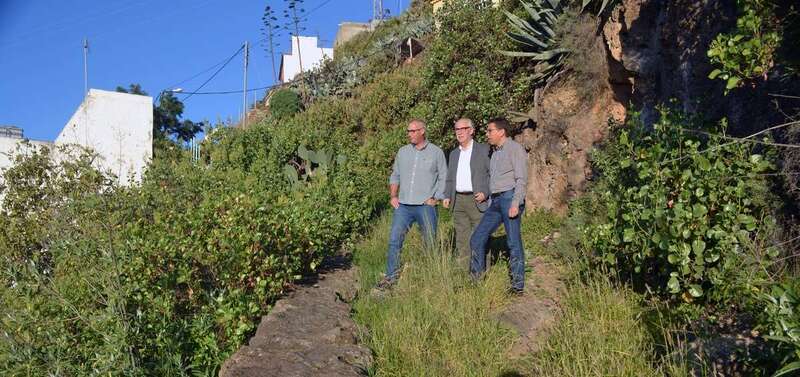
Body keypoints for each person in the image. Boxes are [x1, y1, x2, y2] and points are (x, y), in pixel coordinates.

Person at [377, 119, 447, 289]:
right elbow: (395, 175)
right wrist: (393, 196)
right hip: (404, 206)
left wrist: (436, 198)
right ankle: (391, 277)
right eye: (408, 131)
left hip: (426, 206)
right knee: (395, 240)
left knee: (429, 243)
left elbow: (444, 177)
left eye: (413, 131)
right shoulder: (402, 152)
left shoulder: (436, 152)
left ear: (422, 131)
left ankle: (429, 278)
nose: (410, 134)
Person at [469, 117, 529, 295]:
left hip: (510, 198)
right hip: (495, 201)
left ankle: (517, 286)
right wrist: (487, 197)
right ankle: (476, 281)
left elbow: (521, 179)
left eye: (490, 131)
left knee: (513, 242)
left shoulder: (515, 149)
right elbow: (494, 181)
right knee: (477, 239)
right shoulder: (495, 153)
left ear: (501, 131)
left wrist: (515, 203)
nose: (487, 134)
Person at [442, 118, 491, 267]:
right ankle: (464, 273)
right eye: (457, 129)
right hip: (458, 201)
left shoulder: (484, 149)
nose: (459, 132)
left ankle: (482, 273)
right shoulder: (454, 154)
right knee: (462, 238)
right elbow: (450, 178)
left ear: (471, 130)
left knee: (480, 237)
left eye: (463, 129)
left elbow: (493, 175)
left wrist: (486, 192)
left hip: (477, 200)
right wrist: (446, 195)